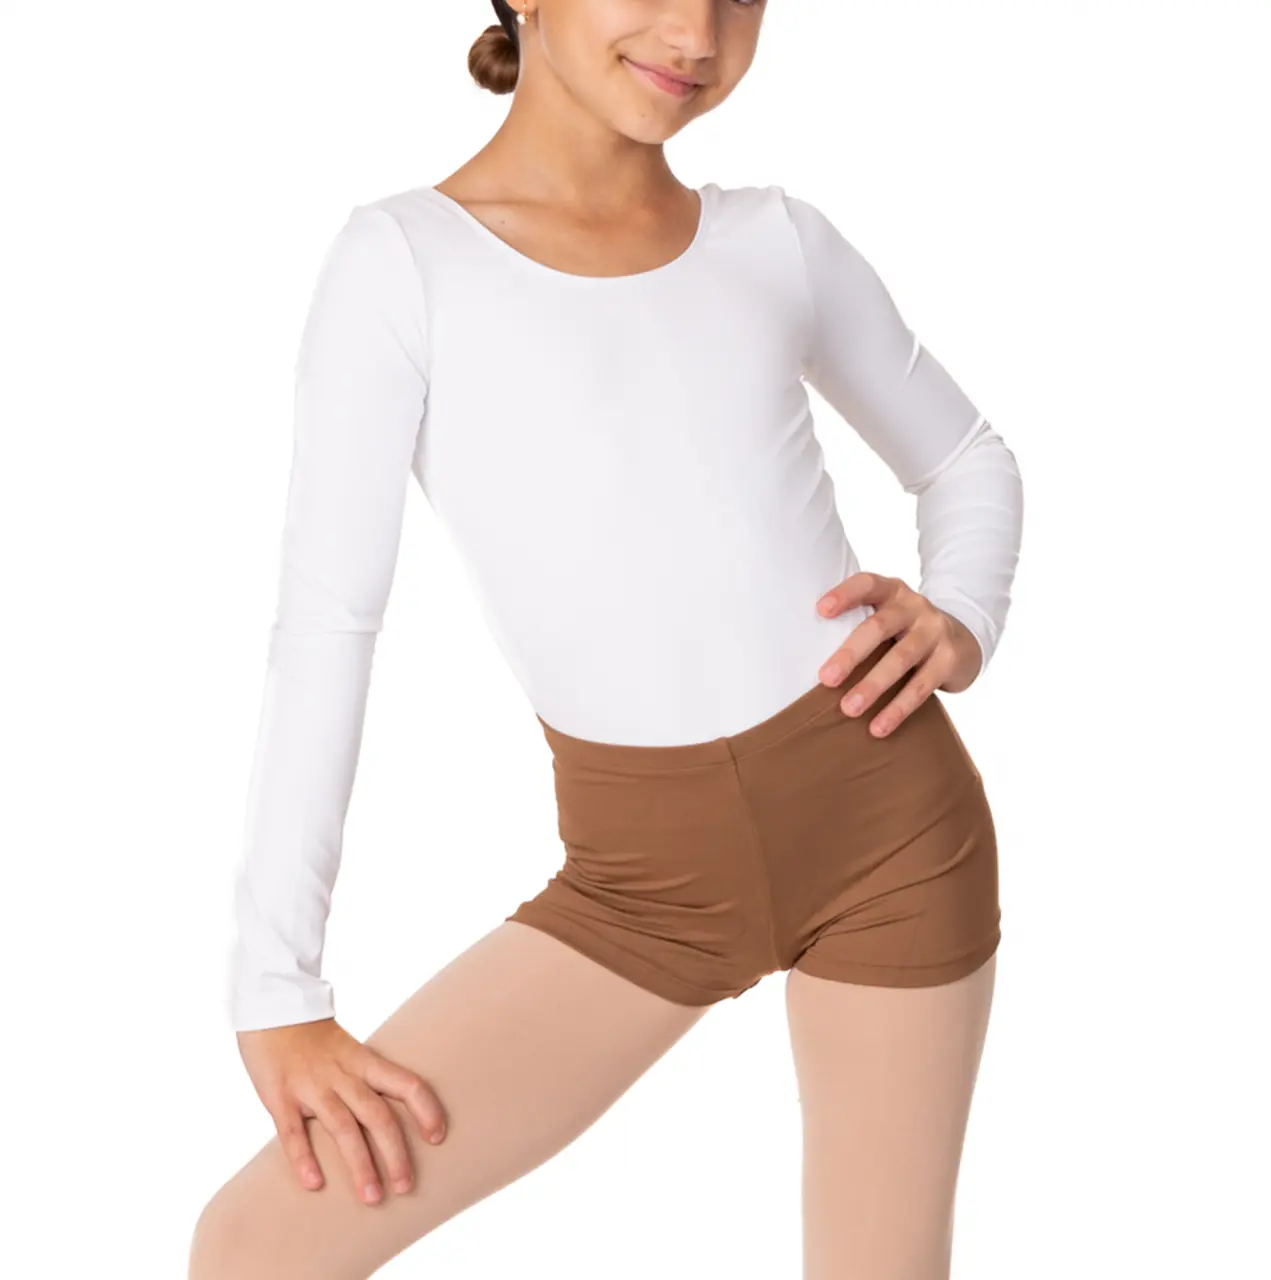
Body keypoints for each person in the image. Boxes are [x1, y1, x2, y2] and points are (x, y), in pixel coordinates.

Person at [189, 1, 1024, 1276]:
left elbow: (964, 456)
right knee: (255, 1244)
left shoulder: (774, 243)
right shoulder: (403, 263)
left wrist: (958, 612)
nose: (695, 30)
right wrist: (277, 992)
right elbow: (327, 628)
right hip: (639, 889)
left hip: (891, 833)